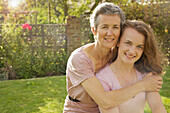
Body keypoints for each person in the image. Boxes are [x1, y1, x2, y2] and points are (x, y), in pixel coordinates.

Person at [63, 2, 163, 113]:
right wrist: (143, 85)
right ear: (94, 30)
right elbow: (104, 100)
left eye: (115, 27)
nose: (110, 33)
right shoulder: (79, 59)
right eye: (104, 27)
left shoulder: (116, 54)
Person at [96, 20, 167, 113]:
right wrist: (142, 85)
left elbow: (158, 108)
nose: (132, 51)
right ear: (118, 42)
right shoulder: (103, 78)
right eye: (128, 43)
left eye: (139, 47)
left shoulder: (145, 74)